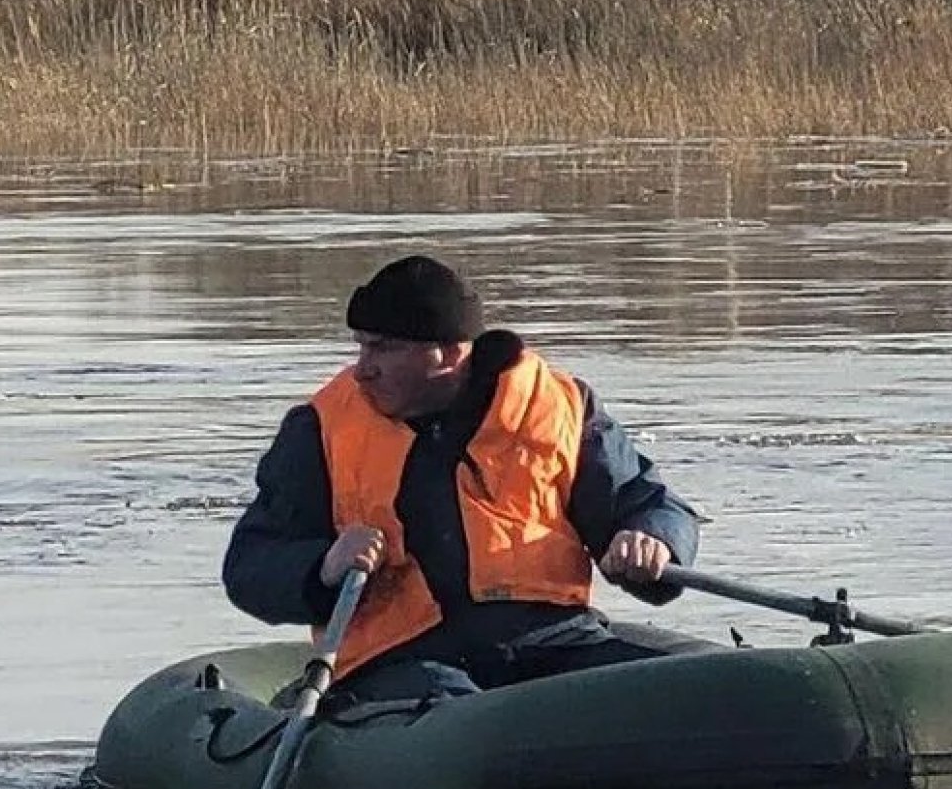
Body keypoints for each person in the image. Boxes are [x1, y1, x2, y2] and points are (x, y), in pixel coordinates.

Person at [223, 253, 703, 704]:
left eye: (384, 348)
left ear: (449, 354)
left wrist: (651, 537)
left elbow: (644, 501)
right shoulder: (321, 428)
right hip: (400, 659)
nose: (363, 369)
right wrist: (323, 567)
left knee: (683, 690)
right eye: (361, 346)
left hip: (551, 642)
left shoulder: (558, 407)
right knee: (452, 705)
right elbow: (251, 564)